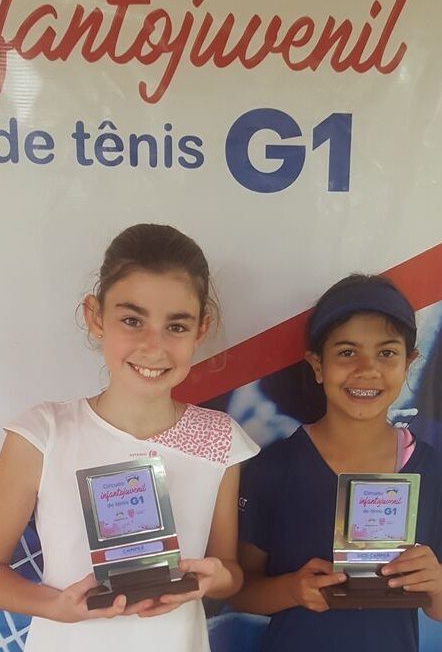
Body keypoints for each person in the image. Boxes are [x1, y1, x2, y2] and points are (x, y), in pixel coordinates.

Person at [0, 223, 259, 652]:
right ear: (95, 317)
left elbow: (229, 570)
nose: (153, 347)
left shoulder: (220, 438)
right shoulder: (43, 433)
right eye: (132, 320)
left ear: (201, 329)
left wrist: (216, 578)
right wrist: (55, 606)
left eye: (176, 326)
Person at [233, 274, 442, 652]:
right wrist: (291, 589)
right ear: (317, 365)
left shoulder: (434, 471)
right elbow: (240, 590)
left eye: (386, 353)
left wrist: (438, 584)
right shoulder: (274, 468)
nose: (367, 369)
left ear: (409, 362)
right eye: (347, 352)